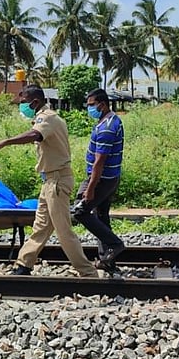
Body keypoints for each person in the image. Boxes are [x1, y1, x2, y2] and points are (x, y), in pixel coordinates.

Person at [0, 84, 98, 277]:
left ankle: (88, 273)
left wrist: (4, 142)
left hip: (57, 181)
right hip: (50, 181)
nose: (22, 107)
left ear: (35, 102)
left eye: (24, 103)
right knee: (41, 225)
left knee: (63, 231)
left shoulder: (48, 118)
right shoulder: (44, 118)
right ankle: (24, 264)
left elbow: (34, 135)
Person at [74, 88, 126, 273]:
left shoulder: (106, 128)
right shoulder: (110, 120)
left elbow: (99, 162)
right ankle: (107, 260)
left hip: (101, 179)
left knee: (80, 211)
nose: (89, 109)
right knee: (102, 216)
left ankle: (115, 244)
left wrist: (90, 188)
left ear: (102, 105)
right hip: (109, 178)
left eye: (91, 105)